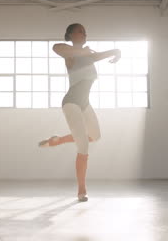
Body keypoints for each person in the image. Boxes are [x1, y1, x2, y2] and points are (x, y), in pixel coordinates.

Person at [38, 23, 121, 202]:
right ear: (70, 34)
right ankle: (81, 189)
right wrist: (97, 52)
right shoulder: (69, 53)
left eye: (85, 31)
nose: (84, 33)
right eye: (79, 31)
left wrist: (115, 50)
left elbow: (96, 56)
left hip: (84, 103)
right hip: (71, 102)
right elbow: (56, 47)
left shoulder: (89, 55)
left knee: (95, 136)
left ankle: (57, 140)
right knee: (83, 145)